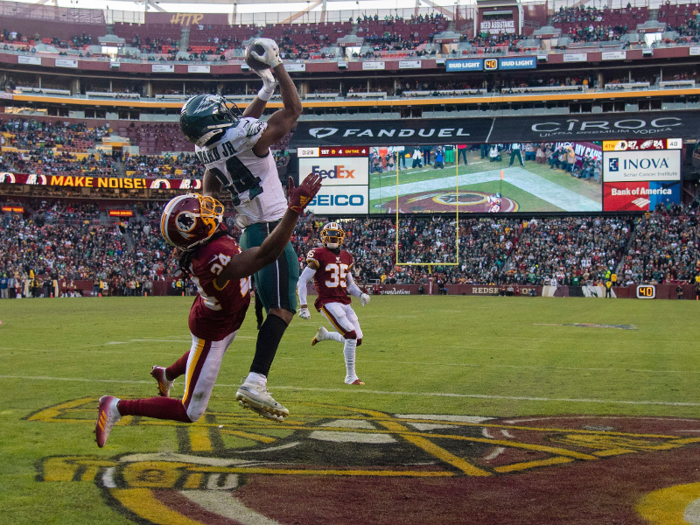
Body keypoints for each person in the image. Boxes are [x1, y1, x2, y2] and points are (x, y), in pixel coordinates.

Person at [94, 175, 322, 448]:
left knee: (200, 356)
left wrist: (218, 153)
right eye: (202, 212)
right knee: (191, 411)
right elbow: (266, 255)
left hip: (226, 313)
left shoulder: (204, 237)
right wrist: (294, 209)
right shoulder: (212, 258)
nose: (209, 209)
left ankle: (166, 374)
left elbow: (210, 183)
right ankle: (117, 406)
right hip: (214, 328)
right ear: (198, 230)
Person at [181, 38, 303, 419]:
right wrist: (278, 67)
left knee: (272, 310)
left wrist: (263, 91)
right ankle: (256, 381)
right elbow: (294, 111)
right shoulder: (245, 136)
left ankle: (251, 379)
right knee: (284, 309)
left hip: (248, 230)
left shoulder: (205, 150)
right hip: (271, 225)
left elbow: (213, 180)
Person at [296, 222, 371, 385]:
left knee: (357, 340)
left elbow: (350, 285)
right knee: (350, 335)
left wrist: (360, 294)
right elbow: (302, 280)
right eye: (329, 234)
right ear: (323, 236)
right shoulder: (318, 254)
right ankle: (350, 376)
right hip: (327, 301)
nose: (332, 238)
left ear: (341, 237)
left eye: (335, 235)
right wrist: (303, 306)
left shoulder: (346, 256)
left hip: (344, 301)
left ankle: (326, 335)